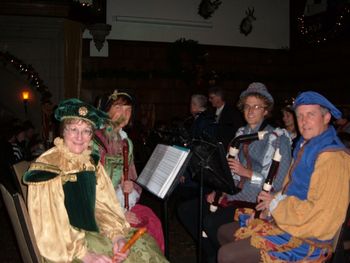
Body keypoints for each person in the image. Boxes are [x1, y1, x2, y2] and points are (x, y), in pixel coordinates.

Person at [23, 98, 167, 263]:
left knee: (144, 244)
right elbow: (49, 223)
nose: (80, 137)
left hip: (91, 227)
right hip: (63, 242)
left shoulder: (90, 162)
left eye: (86, 131)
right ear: (63, 131)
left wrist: (117, 236)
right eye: (73, 129)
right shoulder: (48, 166)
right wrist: (85, 255)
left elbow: (104, 204)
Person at [217, 91, 350, 263]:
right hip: (292, 220)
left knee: (228, 255)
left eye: (311, 115)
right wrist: (269, 207)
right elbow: (287, 189)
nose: (303, 121)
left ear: (326, 118)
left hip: (310, 237)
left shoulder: (333, 158)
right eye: (300, 116)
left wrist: (275, 207)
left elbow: (322, 217)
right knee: (224, 232)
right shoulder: (306, 147)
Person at [177, 83, 292, 262]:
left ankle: (217, 256)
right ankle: (213, 254)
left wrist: (248, 173)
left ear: (266, 111)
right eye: (247, 106)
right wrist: (219, 189)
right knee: (186, 210)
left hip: (255, 201)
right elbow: (231, 173)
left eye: (256, 107)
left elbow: (278, 184)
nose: (251, 111)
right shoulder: (240, 134)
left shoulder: (277, 138)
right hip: (233, 194)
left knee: (210, 222)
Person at [93, 90, 165, 253]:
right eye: (118, 107)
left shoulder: (127, 143)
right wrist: (117, 215)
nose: (124, 113)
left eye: (128, 109)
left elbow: (132, 178)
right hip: (99, 211)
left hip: (122, 204)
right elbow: (90, 188)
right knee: (141, 237)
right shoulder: (95, 141)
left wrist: (131, 186)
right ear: (106, 110)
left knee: (152, 221)